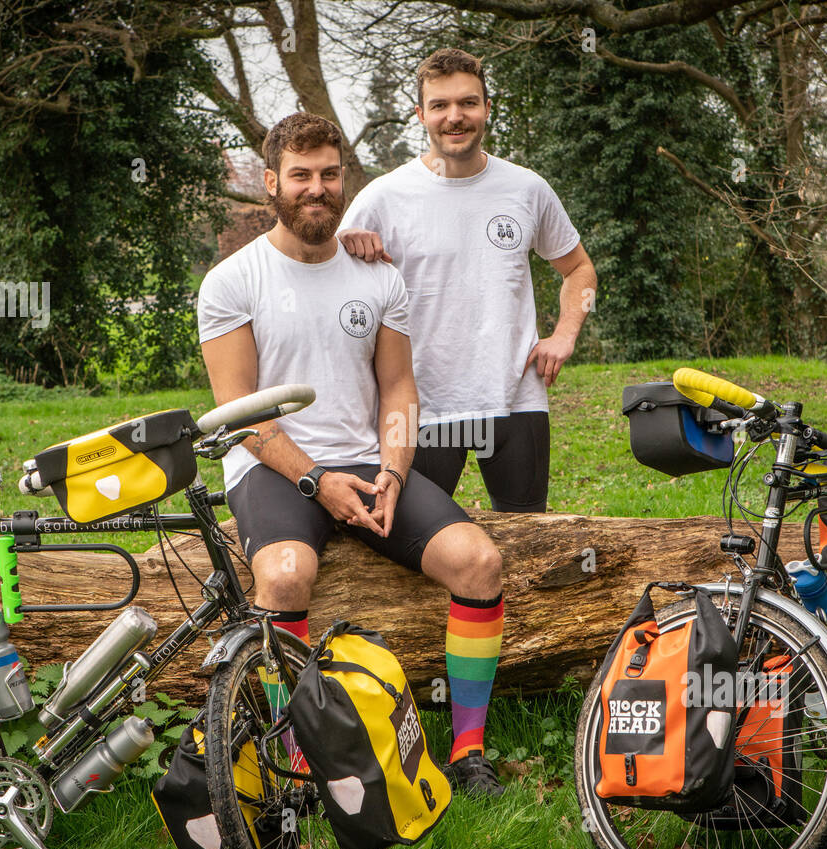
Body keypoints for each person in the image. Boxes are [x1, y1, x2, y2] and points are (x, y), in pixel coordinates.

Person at [198, 112, 508, 796]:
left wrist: (394, 471)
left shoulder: (378, 276)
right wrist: (316, 483)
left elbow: (399, 389)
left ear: (345, 179)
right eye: (301, 176)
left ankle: (469, 748)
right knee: (283, 576)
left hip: (369, 462)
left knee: (479, 562)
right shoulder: (231, 281)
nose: (318, 188)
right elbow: (239, 414)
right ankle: (299, 760)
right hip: (274, 467)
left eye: (330, 174)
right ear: (272, 183)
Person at [339, 47, 596, 513]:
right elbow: (326, 284)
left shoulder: (526, 188)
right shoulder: (383, 197)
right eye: (439, 105)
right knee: (412, 546)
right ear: (421, 115)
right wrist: (346, 251)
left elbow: (579, 269)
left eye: (467, 103)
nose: (454, 117)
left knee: (530, 536)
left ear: (487, 109)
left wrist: (564, 334)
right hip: (421, 405)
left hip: (515, 400)